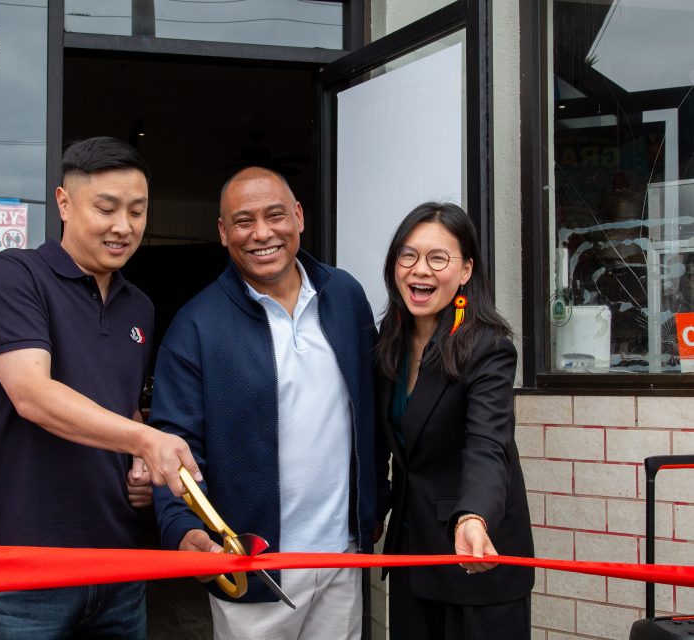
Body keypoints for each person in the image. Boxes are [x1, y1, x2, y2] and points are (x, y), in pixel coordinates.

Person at [0, 136, 201, 640]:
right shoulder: (14, 275)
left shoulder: (140, 305)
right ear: (64, 203)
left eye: (137, 211)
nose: (124, 226)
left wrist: (140, 458)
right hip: (26, 568)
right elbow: (32, 393)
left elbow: (121, 408)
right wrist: (145, 442)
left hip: (119, 564)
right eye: (107, 208)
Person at [151, 166, 389, 640]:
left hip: (342, 555)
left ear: (298, 217)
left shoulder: (344, 296)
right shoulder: (196, 325)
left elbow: (373, 408)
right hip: (252, 564)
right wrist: (179, 529)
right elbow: (172, 446)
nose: (262, 233)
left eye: (275, 215)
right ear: (222, 233)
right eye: (243, 221)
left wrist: (373, 503)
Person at [376, 202, 534, 640]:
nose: (419, 270)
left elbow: (488, 443)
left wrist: (474, 516)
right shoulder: (390, 342)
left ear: (465, 271)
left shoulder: (488, 347)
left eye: (437, 258)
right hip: (411, 555)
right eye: (407, 256)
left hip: (474, 556)